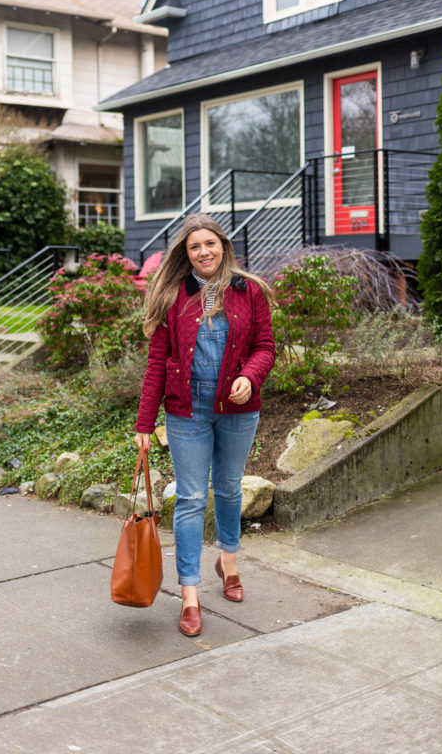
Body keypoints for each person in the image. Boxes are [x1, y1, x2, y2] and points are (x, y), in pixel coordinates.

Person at [135, 214, 275, 636]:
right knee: (193, 497)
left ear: (223, 247)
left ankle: (228, 563)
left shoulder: (249, 292)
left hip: (238, 411)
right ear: (187, 254)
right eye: (194, 247)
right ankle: (190, 594)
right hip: (186, 411)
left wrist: (249, 377)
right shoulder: (172, 297)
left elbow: (265, 346)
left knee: (230, 488)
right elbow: (157, 361)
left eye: (209, 244)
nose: (203, 252)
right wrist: (145, 422)